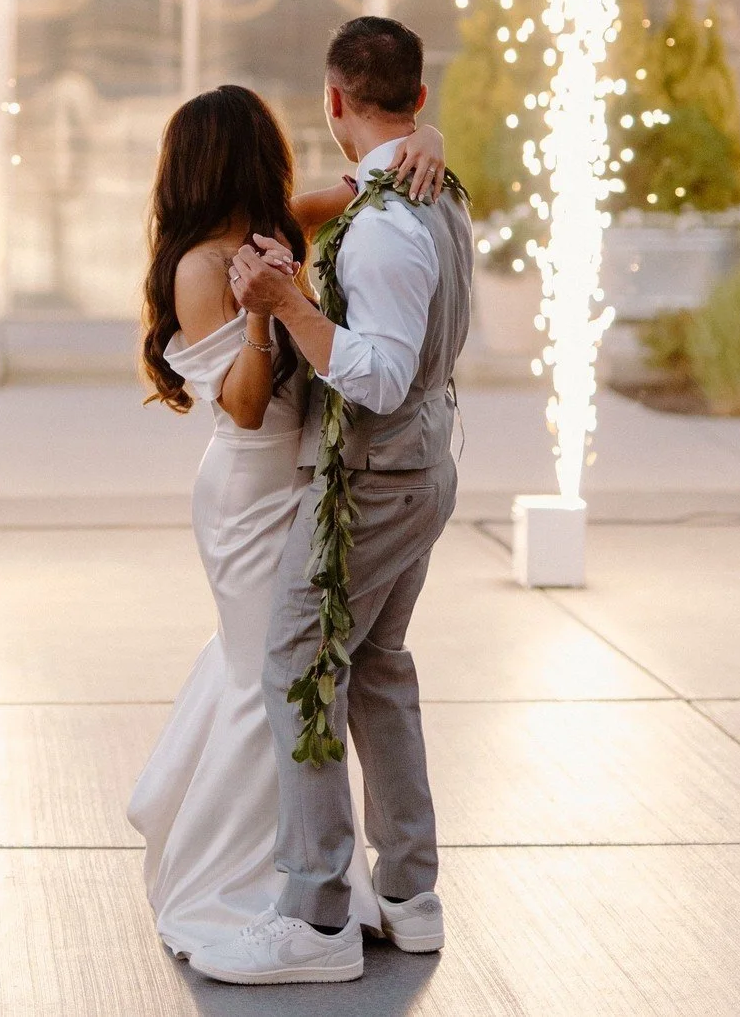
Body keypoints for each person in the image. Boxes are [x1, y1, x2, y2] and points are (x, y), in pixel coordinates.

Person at [128, 81, 448, 960]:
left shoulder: (279, 228)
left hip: (303, 482)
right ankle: (241, 880)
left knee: (294, 666)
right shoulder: (200, 266)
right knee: (263, 669)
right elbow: (237, 406)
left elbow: (374, 181)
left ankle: (304, 874)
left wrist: (432, 139)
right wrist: (266, 316)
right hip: (245, 490)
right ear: (242, 156)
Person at [188, 16, 473, 988]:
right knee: (381, 666)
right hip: (423, 470)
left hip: (375, 477)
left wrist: (288, 305)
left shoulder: (390, 221)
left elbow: (381, 378)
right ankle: (411, 895)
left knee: (299, 663)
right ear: (419, 103)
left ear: (335, 99)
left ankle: (313, 914)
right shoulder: (426, 190)